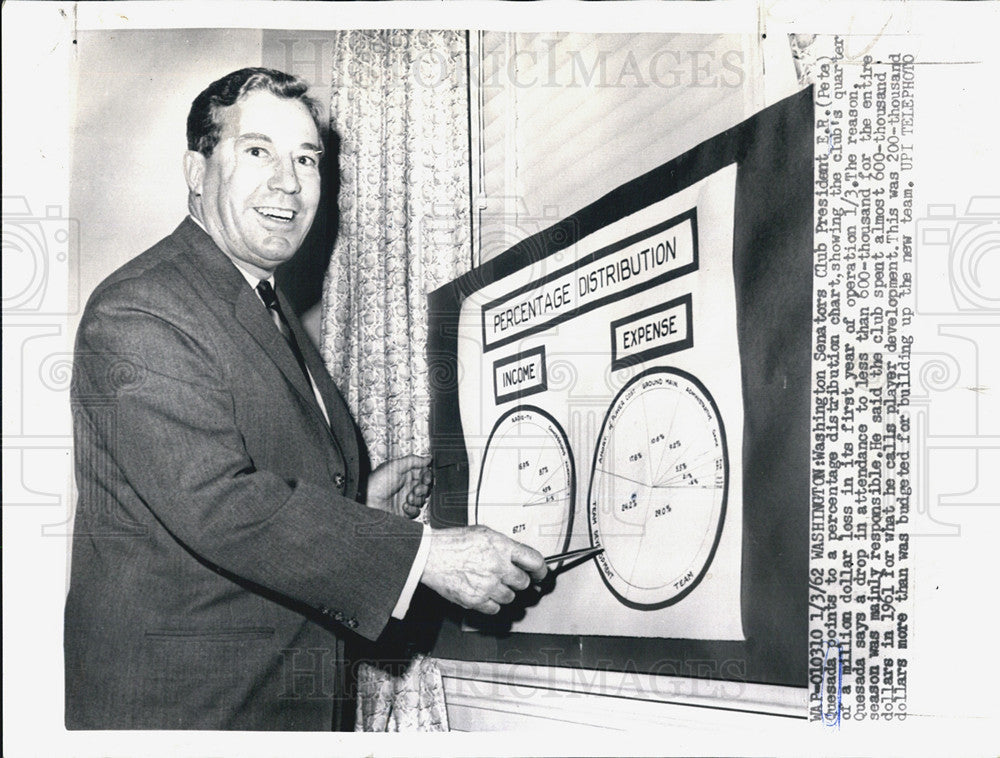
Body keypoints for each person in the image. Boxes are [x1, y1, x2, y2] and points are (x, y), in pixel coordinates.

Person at [64, 67, 547, 731]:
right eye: (257, 151)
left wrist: (358, 500)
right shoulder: (139, 308)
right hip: (189, 718)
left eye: (306, 159)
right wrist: (424, 554)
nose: (288, 183)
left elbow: (261, 482)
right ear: (195, 169)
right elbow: (219, 505)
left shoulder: (267, 307)